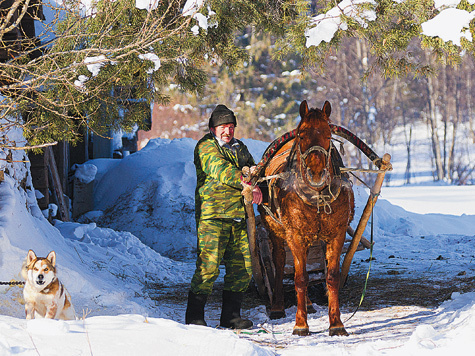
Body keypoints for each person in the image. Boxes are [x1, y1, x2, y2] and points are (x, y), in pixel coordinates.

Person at [185, 104, 262, 329]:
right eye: (222, 127)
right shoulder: (205, 147)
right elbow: (222, 171)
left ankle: (231, 317)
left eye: (231, 127)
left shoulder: (239, 147)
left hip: (238, 216)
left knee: (242, 268)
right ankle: (194, 317)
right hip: (213, 216)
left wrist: (256, 177)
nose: (227, 131)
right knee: (208, 267)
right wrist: (246, 181)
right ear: (212, 128)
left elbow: (252, 167)